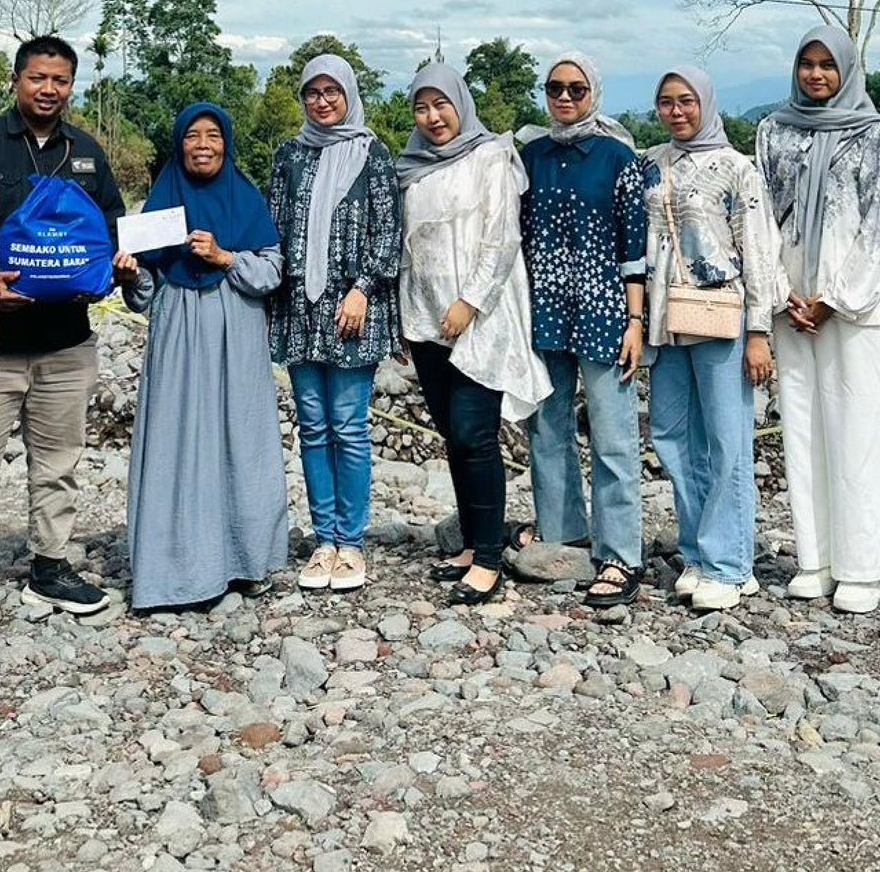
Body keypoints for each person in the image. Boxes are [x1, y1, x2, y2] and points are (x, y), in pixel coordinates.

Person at [0, 35, 124, 641]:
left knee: (59, 464)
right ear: (16, 79)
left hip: (67, 344)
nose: (49, 90)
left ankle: (50, 563)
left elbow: (113, 233)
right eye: (38, 78)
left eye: (61, 81)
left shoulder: (88, 153)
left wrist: (115, 269)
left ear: (72, 86)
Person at [756, 24, 880, 615]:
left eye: (827, 65)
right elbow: (762, 217)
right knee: (800, 425)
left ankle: (865, 565)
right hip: (791, 303)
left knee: (857, 426)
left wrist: (836, 297)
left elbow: (879, 226)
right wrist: (782, 290)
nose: (816, 75)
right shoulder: (775, 130)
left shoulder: (873, 135)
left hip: (851, 305)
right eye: (807, 64)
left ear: (847, 70)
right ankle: (815, 557)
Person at [119, 103, 288, 609]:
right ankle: (173, 570)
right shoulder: (162, 200)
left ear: (226, 142)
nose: (202, 145)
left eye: (213, 135)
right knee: (175, 437)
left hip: (234, 328)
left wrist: (224, 257)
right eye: (191, 135)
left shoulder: (246, 198)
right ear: (178, 144)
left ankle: (244, 560)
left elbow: (272, 272)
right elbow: (144, 292)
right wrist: (131, 275)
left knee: (240, 435)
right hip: (177, 329)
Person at [397, 63, 550, 606]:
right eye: (422, 106)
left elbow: (501, 238)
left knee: (474, 434)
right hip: (426, 319)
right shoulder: (411, 167)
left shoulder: (492, 157)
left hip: (479, 318)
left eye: (442, 104)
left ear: (461, 103)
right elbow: (409, 248)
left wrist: (469, 301)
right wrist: (408, 315)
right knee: (452, 437)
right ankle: (470, 542)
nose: (434, 117)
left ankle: (488, 559)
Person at [642, 66, 777, 612]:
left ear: (707, 103)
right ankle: (699, 550)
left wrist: (761, 330)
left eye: (687, 101)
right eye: (667, 102)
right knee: (673, 434)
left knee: (726, 437)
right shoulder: (650, 163)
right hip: (663, 318)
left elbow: (758, 247)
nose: (677, 112)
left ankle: (730, 562)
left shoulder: (737, 168)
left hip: (721, 313)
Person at [517, 54, 649, 609]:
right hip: (543, 309)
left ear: (593, 91)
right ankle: (564, 531)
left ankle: (621, 552)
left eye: (575, 88)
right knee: (547, 427)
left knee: (614, 433)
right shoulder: (531, 157)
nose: (564, 98)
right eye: (554, 88)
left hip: (604, 311)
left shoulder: (619, 158)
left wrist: (636, 322)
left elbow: (634, 251)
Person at [267, 55, 402, 594]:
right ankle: (324, 539)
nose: (322, 101)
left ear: (349, 94)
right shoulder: (288, 156)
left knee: (349, 426)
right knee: (314, 427)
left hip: (353, 311)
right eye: (312, 93)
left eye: (332, 91)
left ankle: (352, 542)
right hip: (301, 309)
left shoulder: (373, 154)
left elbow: (389, 231)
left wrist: (363, 289)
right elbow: (274, 227)